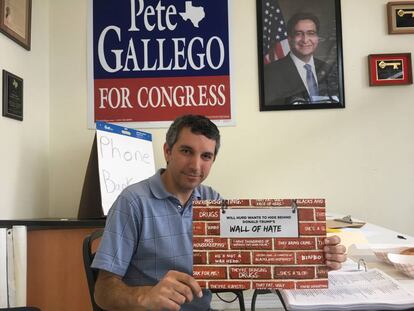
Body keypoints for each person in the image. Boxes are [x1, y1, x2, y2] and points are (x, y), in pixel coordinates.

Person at [92, 114, 347, 311]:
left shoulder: (212, 200)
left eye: (206, 156)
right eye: (186, 151)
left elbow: (244, 266)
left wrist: (315, 257)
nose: (196, 165)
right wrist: (146, 296)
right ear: (167, 152)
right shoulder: (133, 202)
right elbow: (102, 292)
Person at [264, 12, 339, 106]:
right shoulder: (270, 73)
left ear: (317, 38)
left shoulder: (329, 69)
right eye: (299, 34)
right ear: (290, 39)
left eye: (311, 33)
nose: (305, 40)